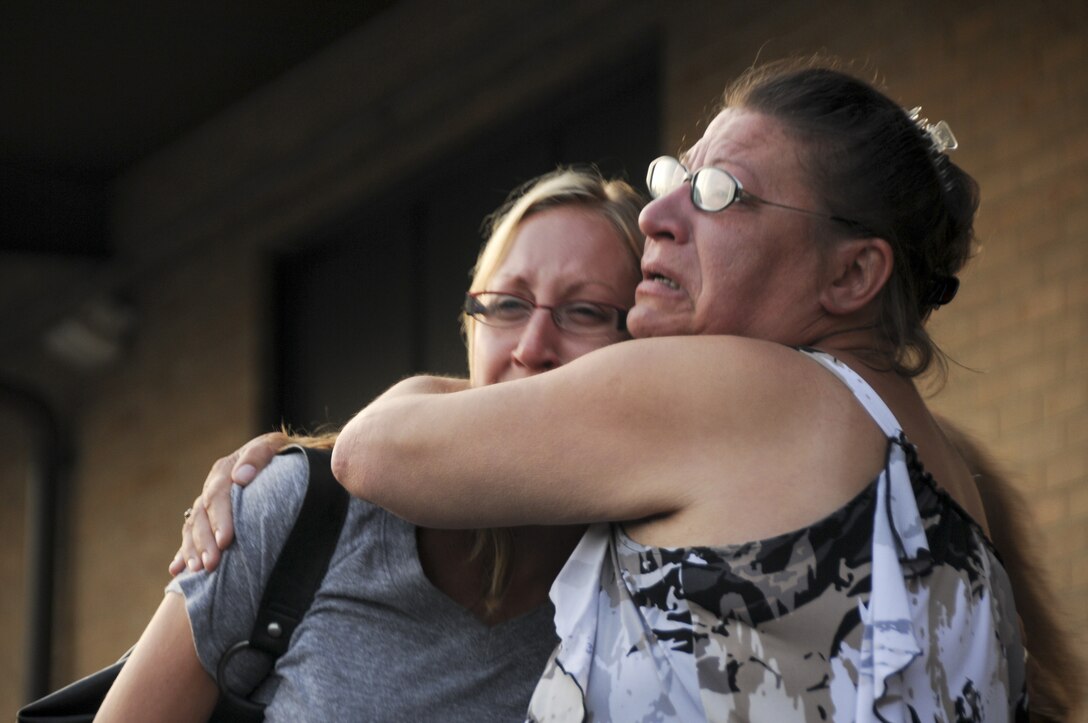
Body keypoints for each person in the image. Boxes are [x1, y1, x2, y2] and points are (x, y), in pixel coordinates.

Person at [328, 59, 1049, 721]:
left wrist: (423, 393)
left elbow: (373, 453)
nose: (655, 217)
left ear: (852, 275)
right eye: (674, 178)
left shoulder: (741, 389)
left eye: (719, 193)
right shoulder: (954, 496)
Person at [96, 167, 645, 721]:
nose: (533, 346)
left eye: (585, 312)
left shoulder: (654, 581)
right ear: (472, 325)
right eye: (508, 304)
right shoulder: (297, 513)